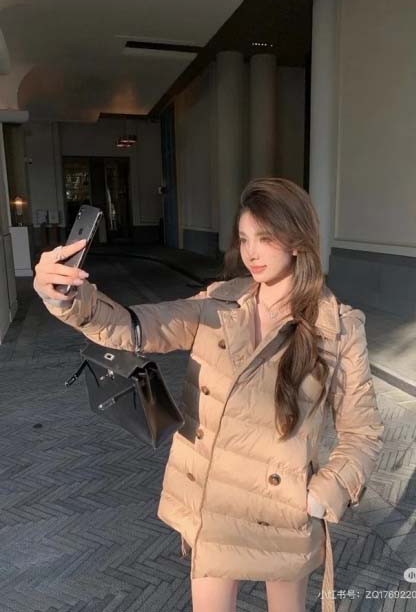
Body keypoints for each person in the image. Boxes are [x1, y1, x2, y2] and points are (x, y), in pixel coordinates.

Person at [34, 178, 385, 612]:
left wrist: (323, 494)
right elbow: (134, 327)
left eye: (265, 238)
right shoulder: (217, 303)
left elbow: (363, 432)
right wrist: (69, 299)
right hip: (212, 504)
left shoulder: (339, 328)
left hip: (283, 509)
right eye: (244, 238)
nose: (251, 253)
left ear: (297, 240)